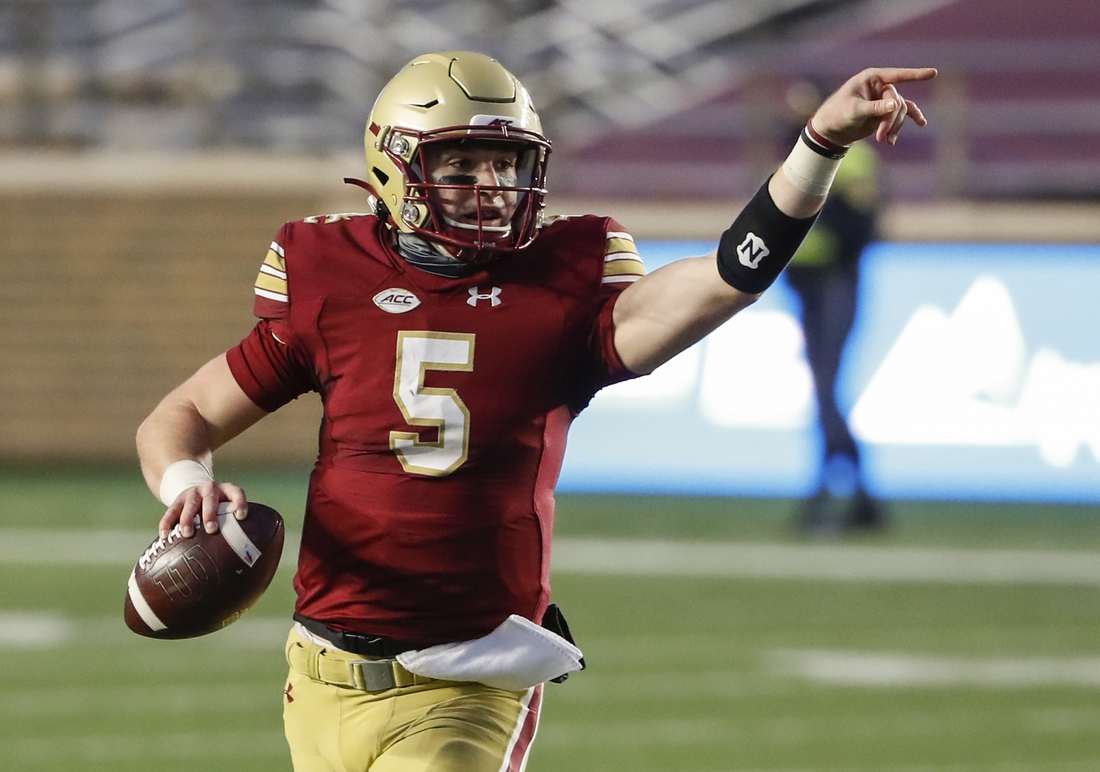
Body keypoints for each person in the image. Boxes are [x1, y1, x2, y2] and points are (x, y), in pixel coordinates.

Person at [136, 51, 935, 772]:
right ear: (394, 165)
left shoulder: (565, 280)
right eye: (462, 164)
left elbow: (730, 275)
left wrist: (820, 145)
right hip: (316, 678)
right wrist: (184, 485)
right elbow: (183, 415)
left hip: (468, 681)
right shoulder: (329, 275)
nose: (489, 187)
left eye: (505, 163)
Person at [783, 80, 886, 534]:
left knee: (825, 389)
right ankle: (861, 496)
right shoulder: (796, 155)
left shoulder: (854, 157)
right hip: (811, 283)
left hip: (835, 281)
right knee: (825, 390)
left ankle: (831, 496)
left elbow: (861, 222)